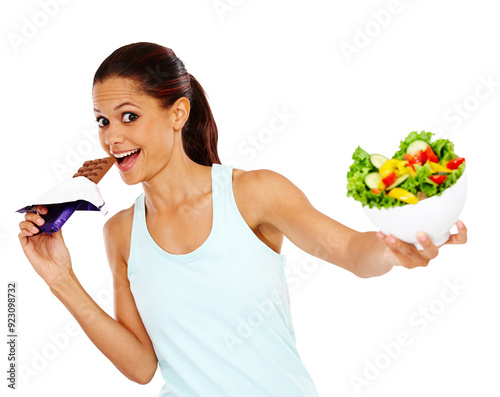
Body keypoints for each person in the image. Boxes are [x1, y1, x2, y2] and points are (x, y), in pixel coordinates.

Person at [18, 42, 467, 397]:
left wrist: (395, 246)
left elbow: (351, 251)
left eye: (128, 117)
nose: (111, 138)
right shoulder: (119, 232)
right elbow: (141, 367)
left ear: (178, 113)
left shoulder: (253, 193)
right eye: (102, 121)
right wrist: (60, 278)